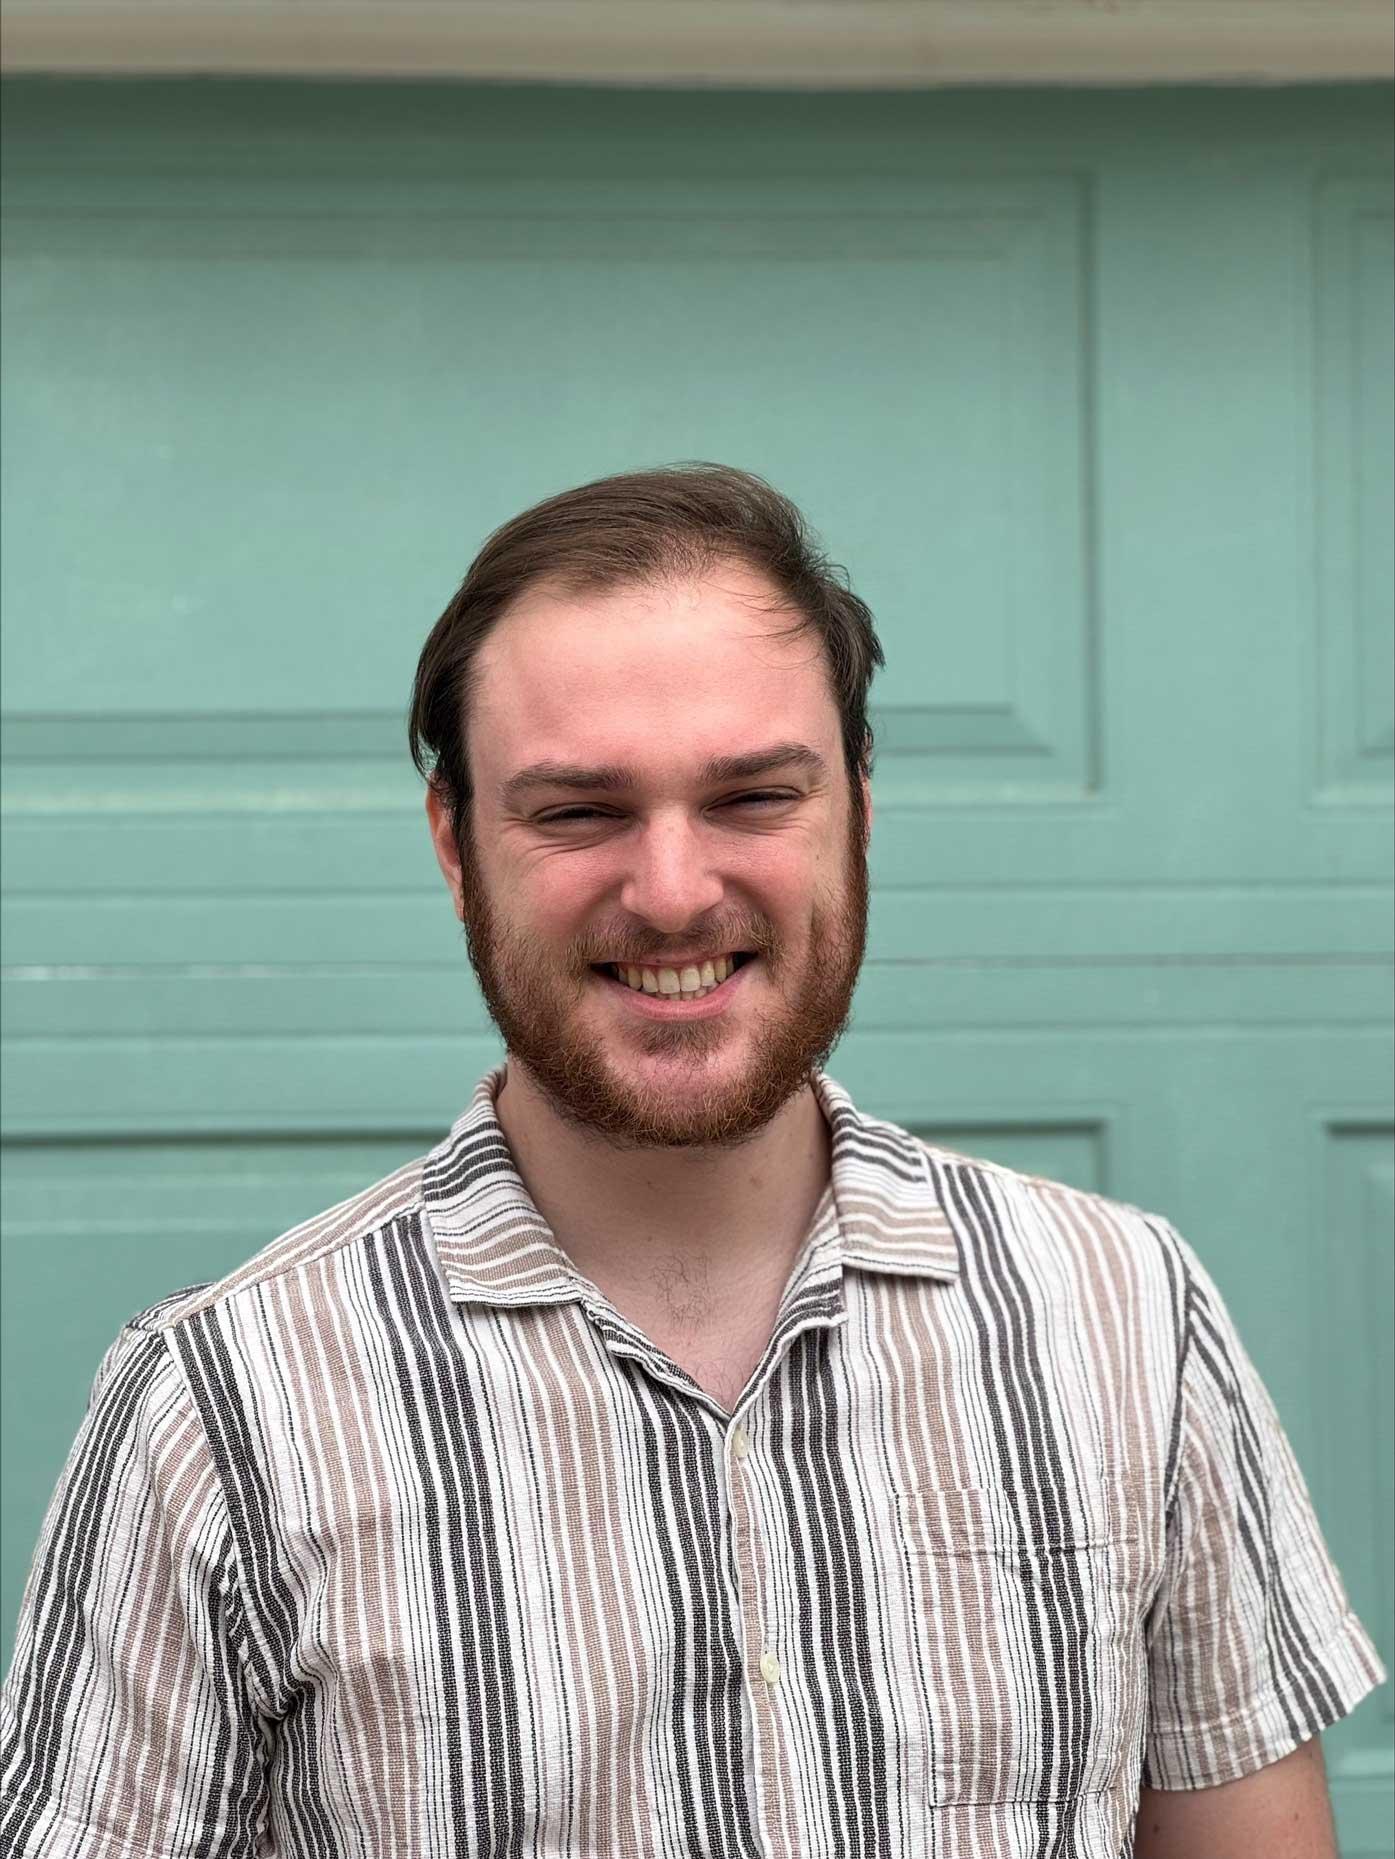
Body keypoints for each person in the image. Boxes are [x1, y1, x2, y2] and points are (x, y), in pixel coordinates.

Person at [0, 465, 1382, 1859]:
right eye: (577, 813)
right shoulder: (217, 1409)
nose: (671, 893)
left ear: (858, 808)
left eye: (752, 797)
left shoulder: (1123, 1315)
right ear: (455, 845)